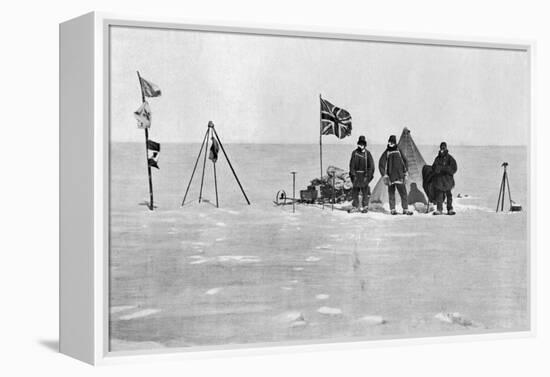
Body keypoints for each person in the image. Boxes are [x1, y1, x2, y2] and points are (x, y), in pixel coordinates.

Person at [378, 135, 413, 215]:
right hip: (390, 177)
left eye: (392, 142)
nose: (391, 144)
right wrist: (384, 175)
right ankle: (392, 209)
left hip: (400, 176)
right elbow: (381, 163)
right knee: (391, 193)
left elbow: (405, 161)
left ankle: (405, 209)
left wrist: (406, 172)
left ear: (395, 142)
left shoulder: (399, 151)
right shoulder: (387, 152)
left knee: (403, 193)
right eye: (390, 142)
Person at [349, 135, 374, 213]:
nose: (361, 145)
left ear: (365, 145)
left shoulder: (368, 154)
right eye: (360, 144)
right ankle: (355, 206)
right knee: (355, 192)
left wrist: (368, 176)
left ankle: (365, 206)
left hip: (364, 176)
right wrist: (353, 175)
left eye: (363, 144)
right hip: (356, 175)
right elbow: (351, 165)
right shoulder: (355, 153)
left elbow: (371, 166)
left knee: (365, 192)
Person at [431, 141, 457, 215]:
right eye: (441, 148)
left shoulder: (450, 158)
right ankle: (439, 209)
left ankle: (450, 209)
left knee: (449, 194)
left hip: (448, 180)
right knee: (439, 195)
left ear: (446, 148)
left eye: (444, 147)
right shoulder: (437, 158)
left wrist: (444, 168)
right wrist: (436, 169)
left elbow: (454, 168)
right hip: (439, 180)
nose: (442, 149)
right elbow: (433, 167)